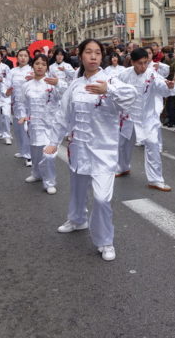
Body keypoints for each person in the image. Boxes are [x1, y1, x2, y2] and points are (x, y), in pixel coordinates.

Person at [43, 39, 137, 262]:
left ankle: (105, 240)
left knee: (102, 198)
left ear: (102, 57)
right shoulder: (75, 85)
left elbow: (131, 96)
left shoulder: (111, 80)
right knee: (77, 189)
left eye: (97, 53)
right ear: (81, 56)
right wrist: (54, 141)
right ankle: (77, 219)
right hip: (79, 148)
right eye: (88, 52)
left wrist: (108, 90)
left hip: (103, 151)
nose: (93, 56)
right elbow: (63, 115)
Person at [116, 47, 175, 191]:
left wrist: (169, 87)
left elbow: (163, 89)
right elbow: (114, 90)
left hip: (147, 117)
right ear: (132, 62)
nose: (143, 66)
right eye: (140, 63)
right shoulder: (123, 75)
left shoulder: (152, 74)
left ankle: (155, 180)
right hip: (129, 116)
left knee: (152, 144)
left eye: (145, 62)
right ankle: (122, 167)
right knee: (123, 143)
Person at [16, 54, 67, 194]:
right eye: (37, 63)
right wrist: (22, 116)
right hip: (34, 124)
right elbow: (21, 103)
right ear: (32, 65)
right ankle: (36, 174)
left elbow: (65, 94)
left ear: (47, 67)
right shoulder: (26, 85)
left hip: (51, 126)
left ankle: (49, 182)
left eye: (43, 64)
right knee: (36, 152)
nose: (40, 66)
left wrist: (58, 83)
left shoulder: (52, 83)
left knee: (48, 155)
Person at [7, 48, 32, 163]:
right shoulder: (12, 71)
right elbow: (7, 85)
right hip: (17, 103)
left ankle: (29, 154)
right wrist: (7, 92)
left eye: (25, 56)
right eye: (20, 55)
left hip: (29, 104)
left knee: (27, 129)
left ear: (28, 58)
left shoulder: (32, 70)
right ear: (17, 57)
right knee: (18, 130)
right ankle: (22, 150)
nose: (23, 58)